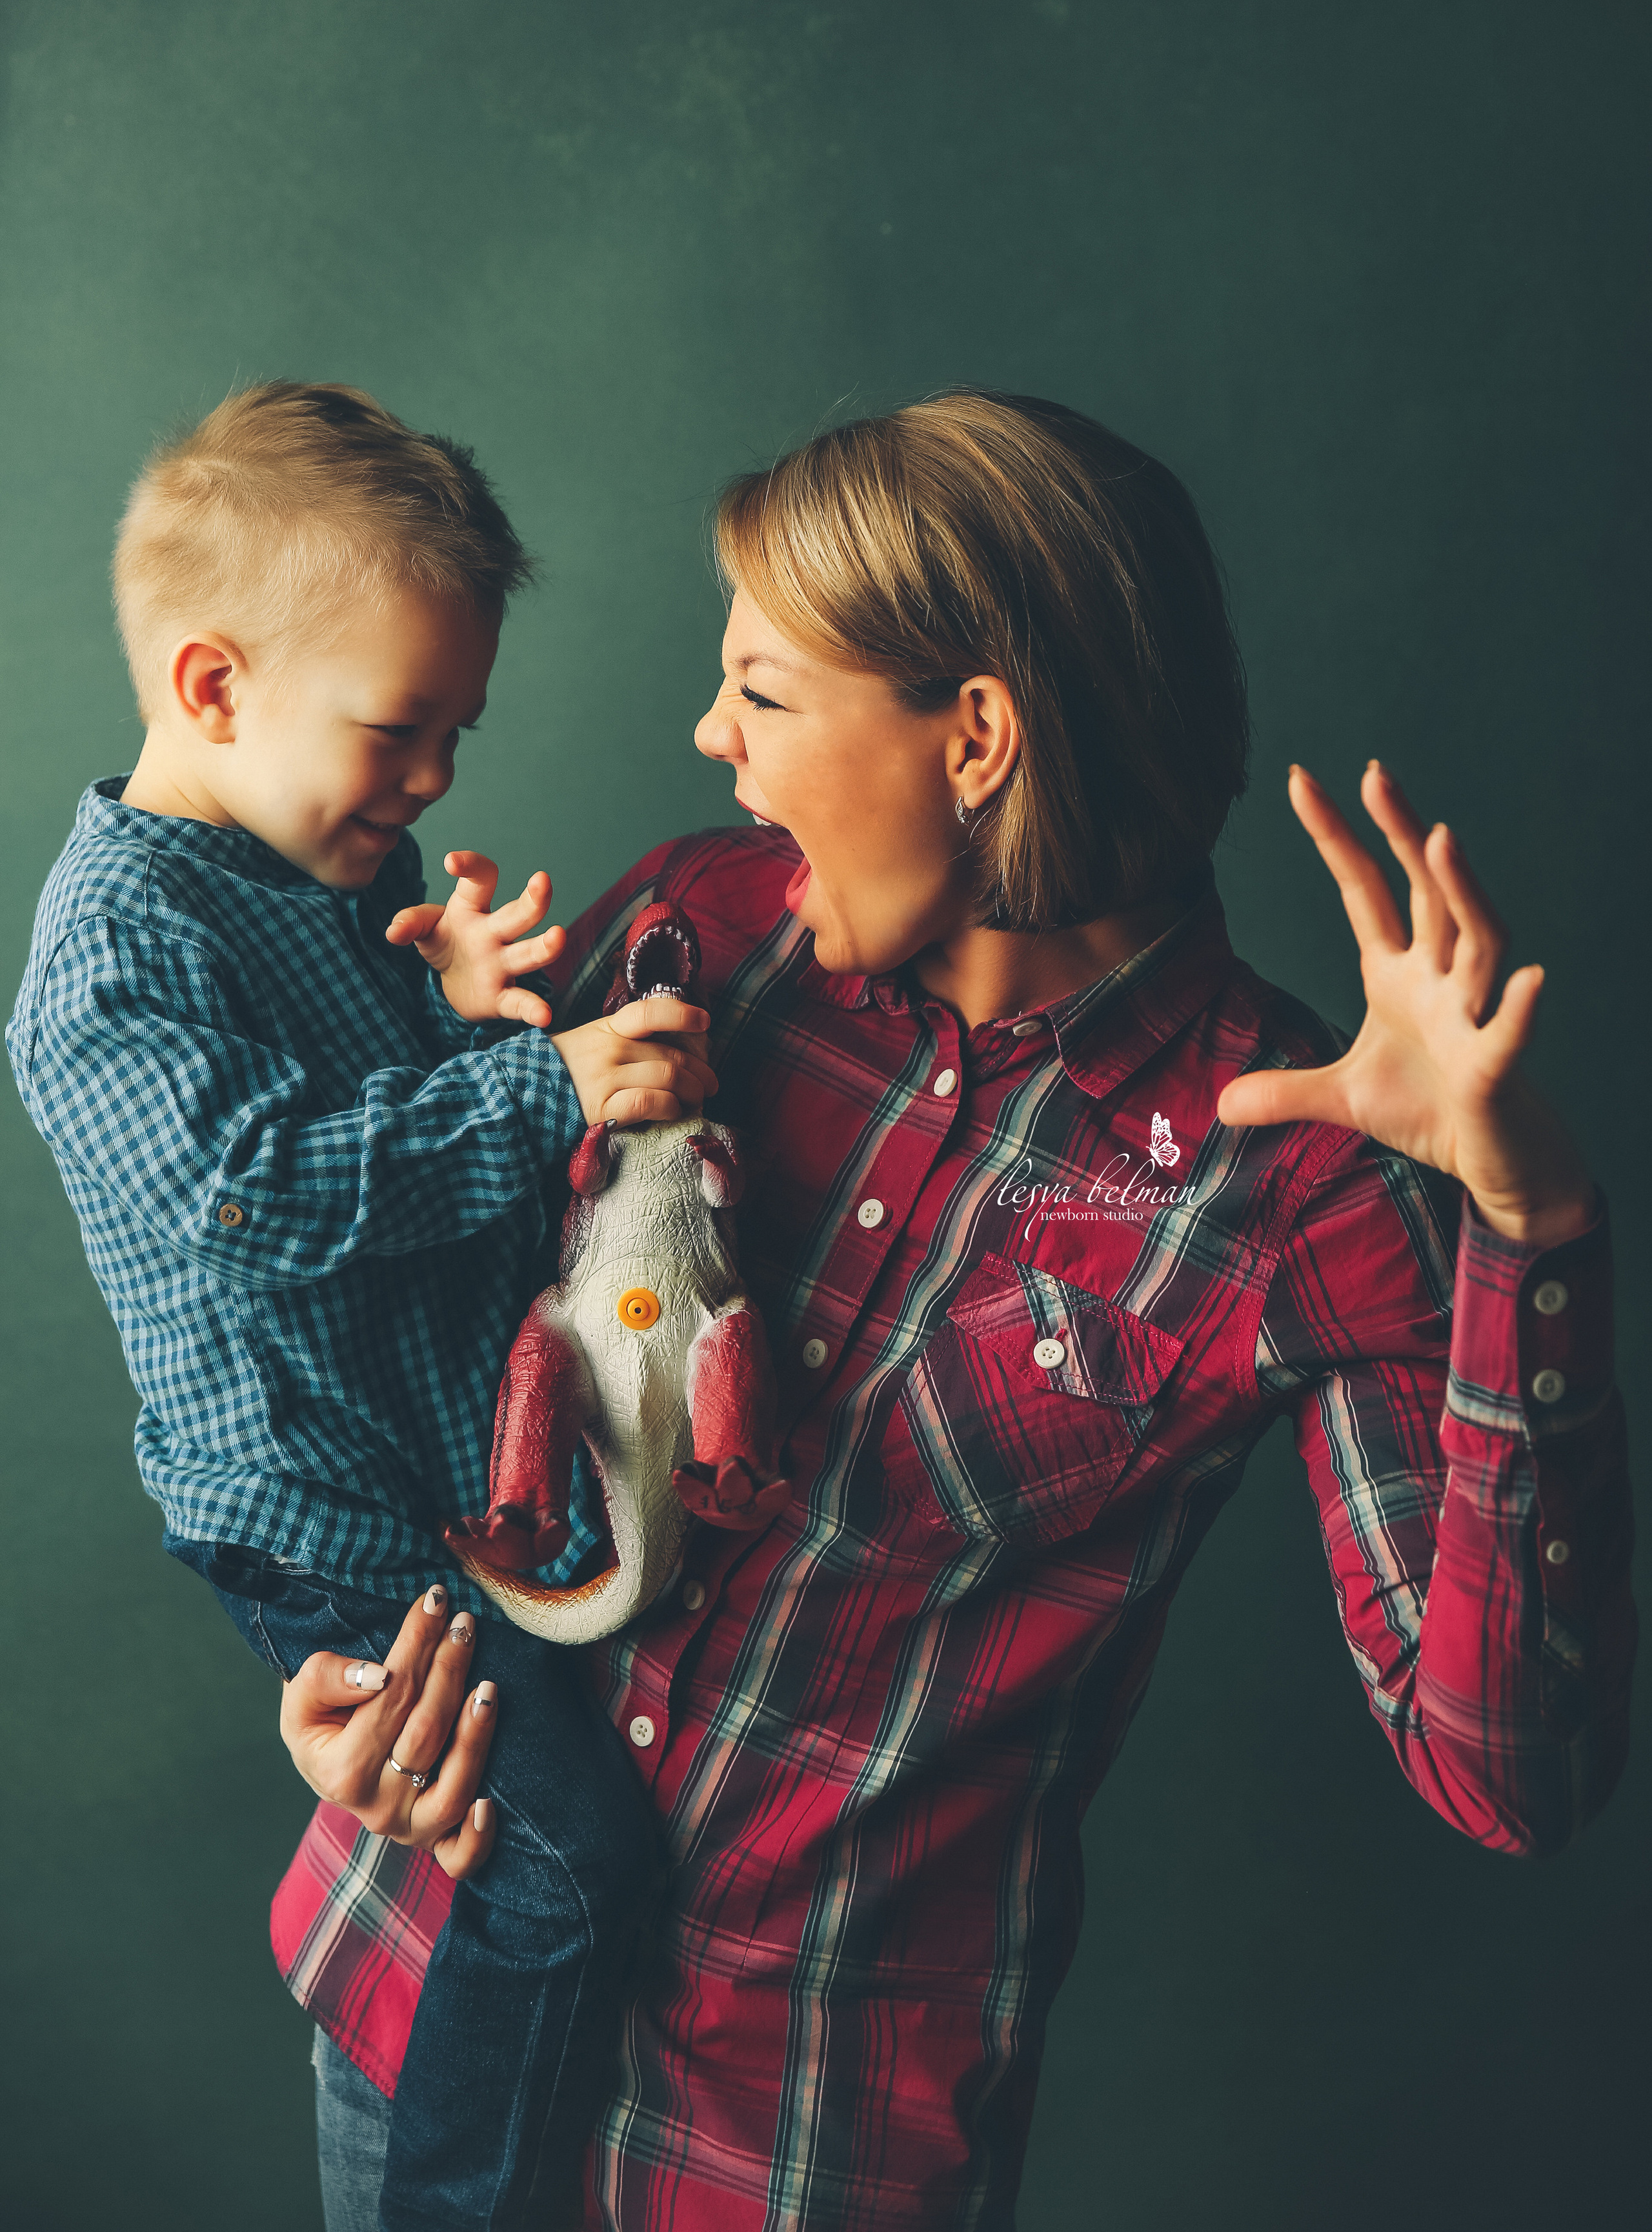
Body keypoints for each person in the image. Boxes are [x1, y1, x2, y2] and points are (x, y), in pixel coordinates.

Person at [274, 394, 1631, 2229]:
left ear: (974, 735)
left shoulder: (1301, 1174)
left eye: (763, 691)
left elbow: (1509, 1778)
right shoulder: (688, 933)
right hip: (422, 1979)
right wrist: (352, 1665)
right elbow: (434, 1360)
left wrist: (1522, 1232)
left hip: (791, 2149)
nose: (710, 741)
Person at [4, 383, 723, 2232]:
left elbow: (373, 1093)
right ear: (214, 684)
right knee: (565, 1864)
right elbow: (268, 1190)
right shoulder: (110, 961)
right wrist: (542, 1086)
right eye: (400, 735)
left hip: (445, 1461)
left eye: (457, 736)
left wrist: (456, 1001)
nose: (432, 787)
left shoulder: (325, 856)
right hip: (325, 1516)